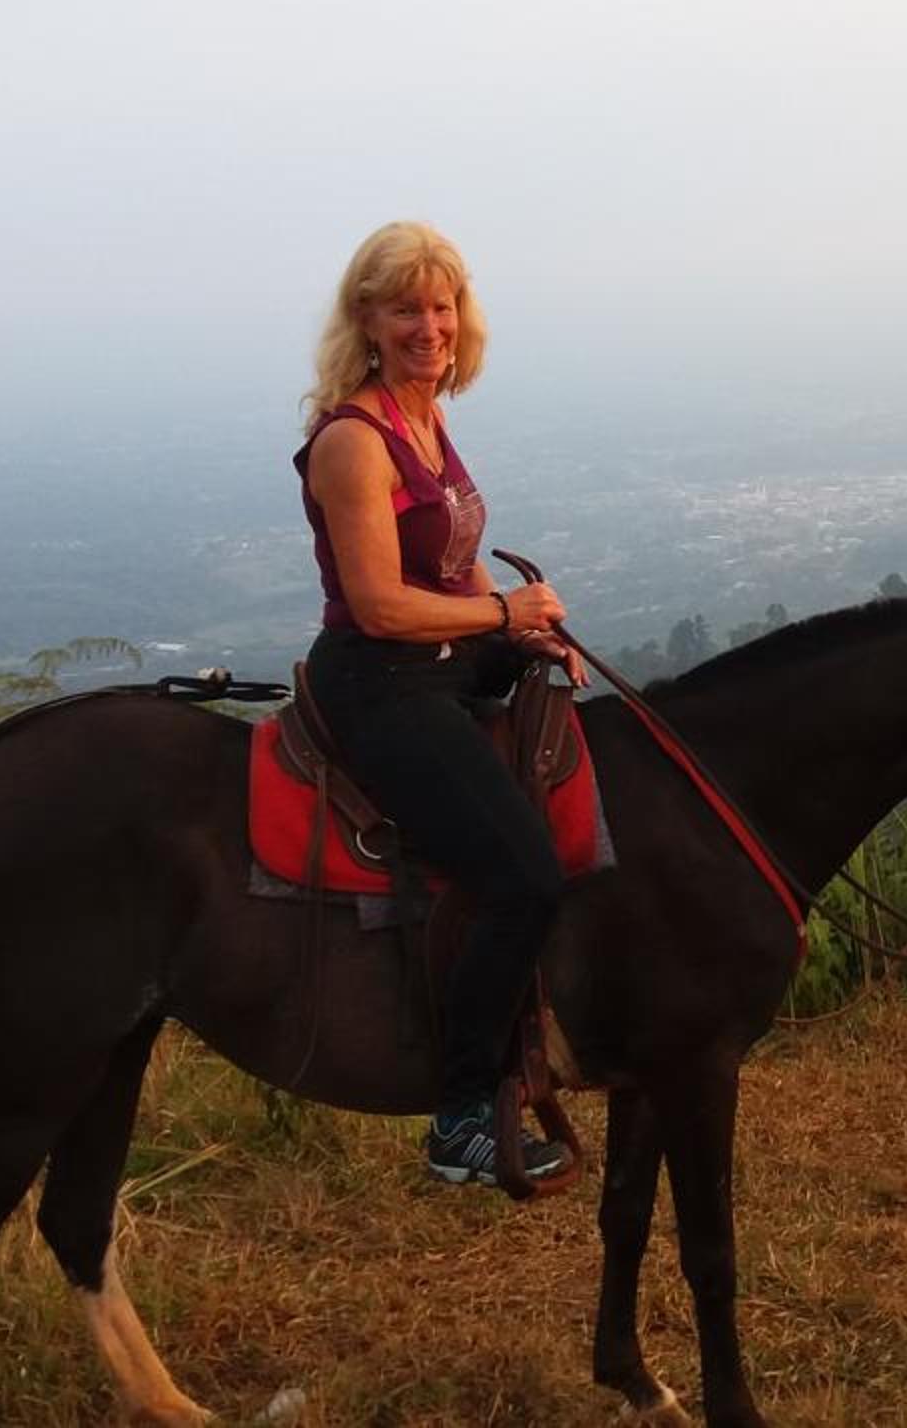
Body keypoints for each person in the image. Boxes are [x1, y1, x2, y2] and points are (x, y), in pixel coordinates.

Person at [296, 221, 583, 1187]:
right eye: (405, 308)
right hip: (382, 680)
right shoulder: (354, 440)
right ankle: (461, 1118)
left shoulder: (425, 417)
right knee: (523, 875)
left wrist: (517, 635)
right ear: (367, 321)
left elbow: (451, 570)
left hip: (445, 660)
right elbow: (379, 606)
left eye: (442, 304)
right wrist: (503, 613)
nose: (430, 326)